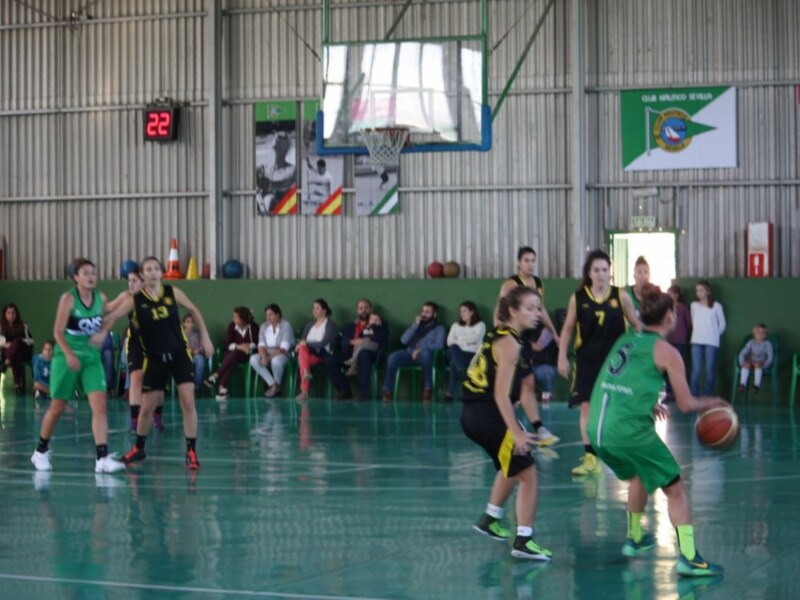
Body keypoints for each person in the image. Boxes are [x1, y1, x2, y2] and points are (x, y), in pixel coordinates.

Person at [586, 283, 726, 577]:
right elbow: (686, 404)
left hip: (597, 429)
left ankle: (635, 536)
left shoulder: (626, 340)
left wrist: (647, 405)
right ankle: (690, 558)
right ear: (669, 318)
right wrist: (712, 401)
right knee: (675, 489)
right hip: (627, 432)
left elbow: (619, 380)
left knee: (639, 473)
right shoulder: (668, 352)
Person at [461, 286, 552, 561]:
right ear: (513, 311)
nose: (537, 313)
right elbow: (500, 394)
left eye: (538, 308)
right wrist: (517, 432)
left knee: (511, 465)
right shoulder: (511, 344)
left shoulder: (502, 332)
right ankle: (523, 540)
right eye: (530, 308)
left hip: (474, 414)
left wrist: (531, 427)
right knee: (528, 473)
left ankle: (490, 519)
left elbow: (518, 389)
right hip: (485, 414)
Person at [96, 256, 213, 469]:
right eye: (147, 269)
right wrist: (102, 330)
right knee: (147, 406)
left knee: (188, 401)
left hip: (179, 353)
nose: (152, 272)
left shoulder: (173, 292)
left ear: (161, 272)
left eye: (155, 269)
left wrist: (205, 337)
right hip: (155, 357)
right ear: (142, 275)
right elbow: (113, 316)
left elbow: (194, 310)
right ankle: (138, 449)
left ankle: (191, 451)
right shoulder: (135, 299)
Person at [30, 258, 125, 473]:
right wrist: (69, 354)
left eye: (93, 272)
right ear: (76, 277)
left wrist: (123, 297)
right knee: (58, 406)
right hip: (67, 356)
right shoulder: (68, 299)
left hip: (91, 357)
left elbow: (106, 308)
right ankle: (40, 451)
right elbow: (57, 332)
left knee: (100, 405)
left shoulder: (100, 297)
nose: (91, 276)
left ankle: (102, 457)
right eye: (86, 272)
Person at [557, 249, 639, 477]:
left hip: (616, 362)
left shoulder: (621, 296)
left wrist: (643, 352)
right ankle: (590, 456)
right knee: (586, 407)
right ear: (589, 272)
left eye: (605, 270)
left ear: (610, 272)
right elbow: (568, 328)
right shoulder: (578, 297)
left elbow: (636, 326)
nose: (601, 274)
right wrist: (561, 355)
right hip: (587, 361)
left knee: (617, 408)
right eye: (596, 270)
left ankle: (622, 453)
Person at [497, 247, 560, 444]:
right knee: (514, 386)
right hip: (512, 337)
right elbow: (499, 311)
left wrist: (555, 334)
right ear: (518, 263)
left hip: (527, 337)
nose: (530, 264)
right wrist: (500, 336)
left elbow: (542, 311)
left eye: (533, 260)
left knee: (527, 384)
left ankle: (538, 428)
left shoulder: (538, 283)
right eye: (526, 260)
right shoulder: (511, 284)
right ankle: (515, 428)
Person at [381, 302, 446, 403]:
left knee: (426, 355)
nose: (424, 314)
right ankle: (388, 391)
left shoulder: (439, 328)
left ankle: (427, 389)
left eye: (428, 312)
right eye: (423, 311)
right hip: (409, 353)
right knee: (393, 357)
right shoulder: (416, 325)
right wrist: (415, 325)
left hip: (425, 354)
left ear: (434, 314)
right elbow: (403, 340)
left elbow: (439, 345)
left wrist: (421, 349)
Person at [325, 299, 388, 401]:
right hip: (350, 352)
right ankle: (344, 390)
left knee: (363, 354)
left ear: (371, 309)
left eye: (366, 308)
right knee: (329, 359)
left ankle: (363, 393)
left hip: (371, 353)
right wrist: (353, 342)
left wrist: (365, 339)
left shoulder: (379, 322)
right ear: (357, 311)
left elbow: (383, 338)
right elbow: (344, 342)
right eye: (360, 308)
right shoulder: (351, 326)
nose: (363, 310)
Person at [206, 307, 258, 401]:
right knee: (233, 358)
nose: (233, 319)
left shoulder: (253, 326)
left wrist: (248, 346)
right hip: (233, 354)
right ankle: (222, 389)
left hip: (246, 355)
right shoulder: (232, 326)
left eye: (236, 317)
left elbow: (256, 343)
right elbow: (228, 344)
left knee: (233, 355)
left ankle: (215, 375)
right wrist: (240, 347)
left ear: (243, 319)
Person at [295, 299, 338, 401]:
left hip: (322, 354)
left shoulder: (330, 325)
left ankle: (304, 389)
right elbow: (302, 340)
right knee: (302, 352)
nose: (314, 310)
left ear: (324, 310)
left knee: (302, 357)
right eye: (313, 308)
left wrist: (306, 344)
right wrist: (300, 345)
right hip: (308, 354)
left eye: (317, 308)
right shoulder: (310, 325)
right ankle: (305, 382)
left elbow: (324, 343)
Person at [443, 301, 486, 402]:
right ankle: (463, 373)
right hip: (456, 352)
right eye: (460, 311)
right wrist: (466, 342)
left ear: (472, 312)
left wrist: (459, 339)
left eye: (464, 311)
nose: (461, 313)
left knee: (454, 362)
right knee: (453, 348)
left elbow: (476, 338)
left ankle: (449, 394)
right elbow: (449, 341)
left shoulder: (480, 325)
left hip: (473, 355)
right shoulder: (455, 325)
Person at [250, 304, 295, 398]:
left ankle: (277, 384)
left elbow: (283, 348)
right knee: (253, 359)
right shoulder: (263, 326)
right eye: (267, 315)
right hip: (266, 352)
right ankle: (273, 384)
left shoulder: (286, 325)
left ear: (277, 315)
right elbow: (261, 345)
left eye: (271, 314)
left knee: (276, 361)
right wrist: (264, 355)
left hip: (283, 354)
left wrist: (268, 357)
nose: (268, 317)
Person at [689, 280, 726, 396]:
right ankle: (693, 396)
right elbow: (693, 321)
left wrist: (714, 335)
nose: (698, 293)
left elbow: (722, 324)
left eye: (701, 290)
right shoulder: (694, 305)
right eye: (697, 291)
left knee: (710, 370)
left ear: (708, 291)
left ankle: (707, 396)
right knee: (696, 371)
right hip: (696, 341)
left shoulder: (716, 306)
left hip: (711, 342)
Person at [664, 285, 692, 402]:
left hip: (680, 341)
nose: (669, 295)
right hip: (668, 341)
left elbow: (689, 324)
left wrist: (683, 334)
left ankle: (679, 394)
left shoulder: (683, 308)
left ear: (676, 295)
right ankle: (669, 393)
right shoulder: (666, 308)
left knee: (678, 368)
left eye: (671, 293)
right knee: (667, 368)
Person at [0, 302, 35, 395]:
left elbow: (31, 341)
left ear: (16, 314)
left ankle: (6, 364)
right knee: (15, 355)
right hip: (9, 353)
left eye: (13, 313)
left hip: (24, 352)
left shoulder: (23, 325)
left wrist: (18, 342)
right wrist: (4, 344)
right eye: (9, 313)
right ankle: (18, 387)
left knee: (17, 342)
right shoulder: (1, 326)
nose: (11, 315)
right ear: (5, 314)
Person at [737, 323, 773, 394]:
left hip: (761, 363)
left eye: (763, 333)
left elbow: (770, 357)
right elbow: (743, 353)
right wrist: (742, 363)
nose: (760, 335)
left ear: (765, 335)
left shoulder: (768, 344)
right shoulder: (751, 342)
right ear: (754, 334)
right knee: (746, 365)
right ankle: (742, 384)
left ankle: (756, 385)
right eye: (758, 332)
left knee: (757, 365)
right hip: (751, 361)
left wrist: (764, 365)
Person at [529, 327, 558, 407]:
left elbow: (538, 347)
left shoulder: (547, 331)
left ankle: (546, 399)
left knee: (544, 373)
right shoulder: (524, 331)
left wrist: (522, 343)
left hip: (547, 366)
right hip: (531, 366)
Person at [183, 313, 209, 392]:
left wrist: (198, 350)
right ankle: (185, 387)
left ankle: (196, 386)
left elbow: (202, 347)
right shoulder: (180, 334)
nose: (190, 324)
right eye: (188, 322)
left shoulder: (198, 334)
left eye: (192, 322)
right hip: (184, 356)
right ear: (184, 323)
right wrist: (189, 350)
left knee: (200, 360)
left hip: (196, 356)